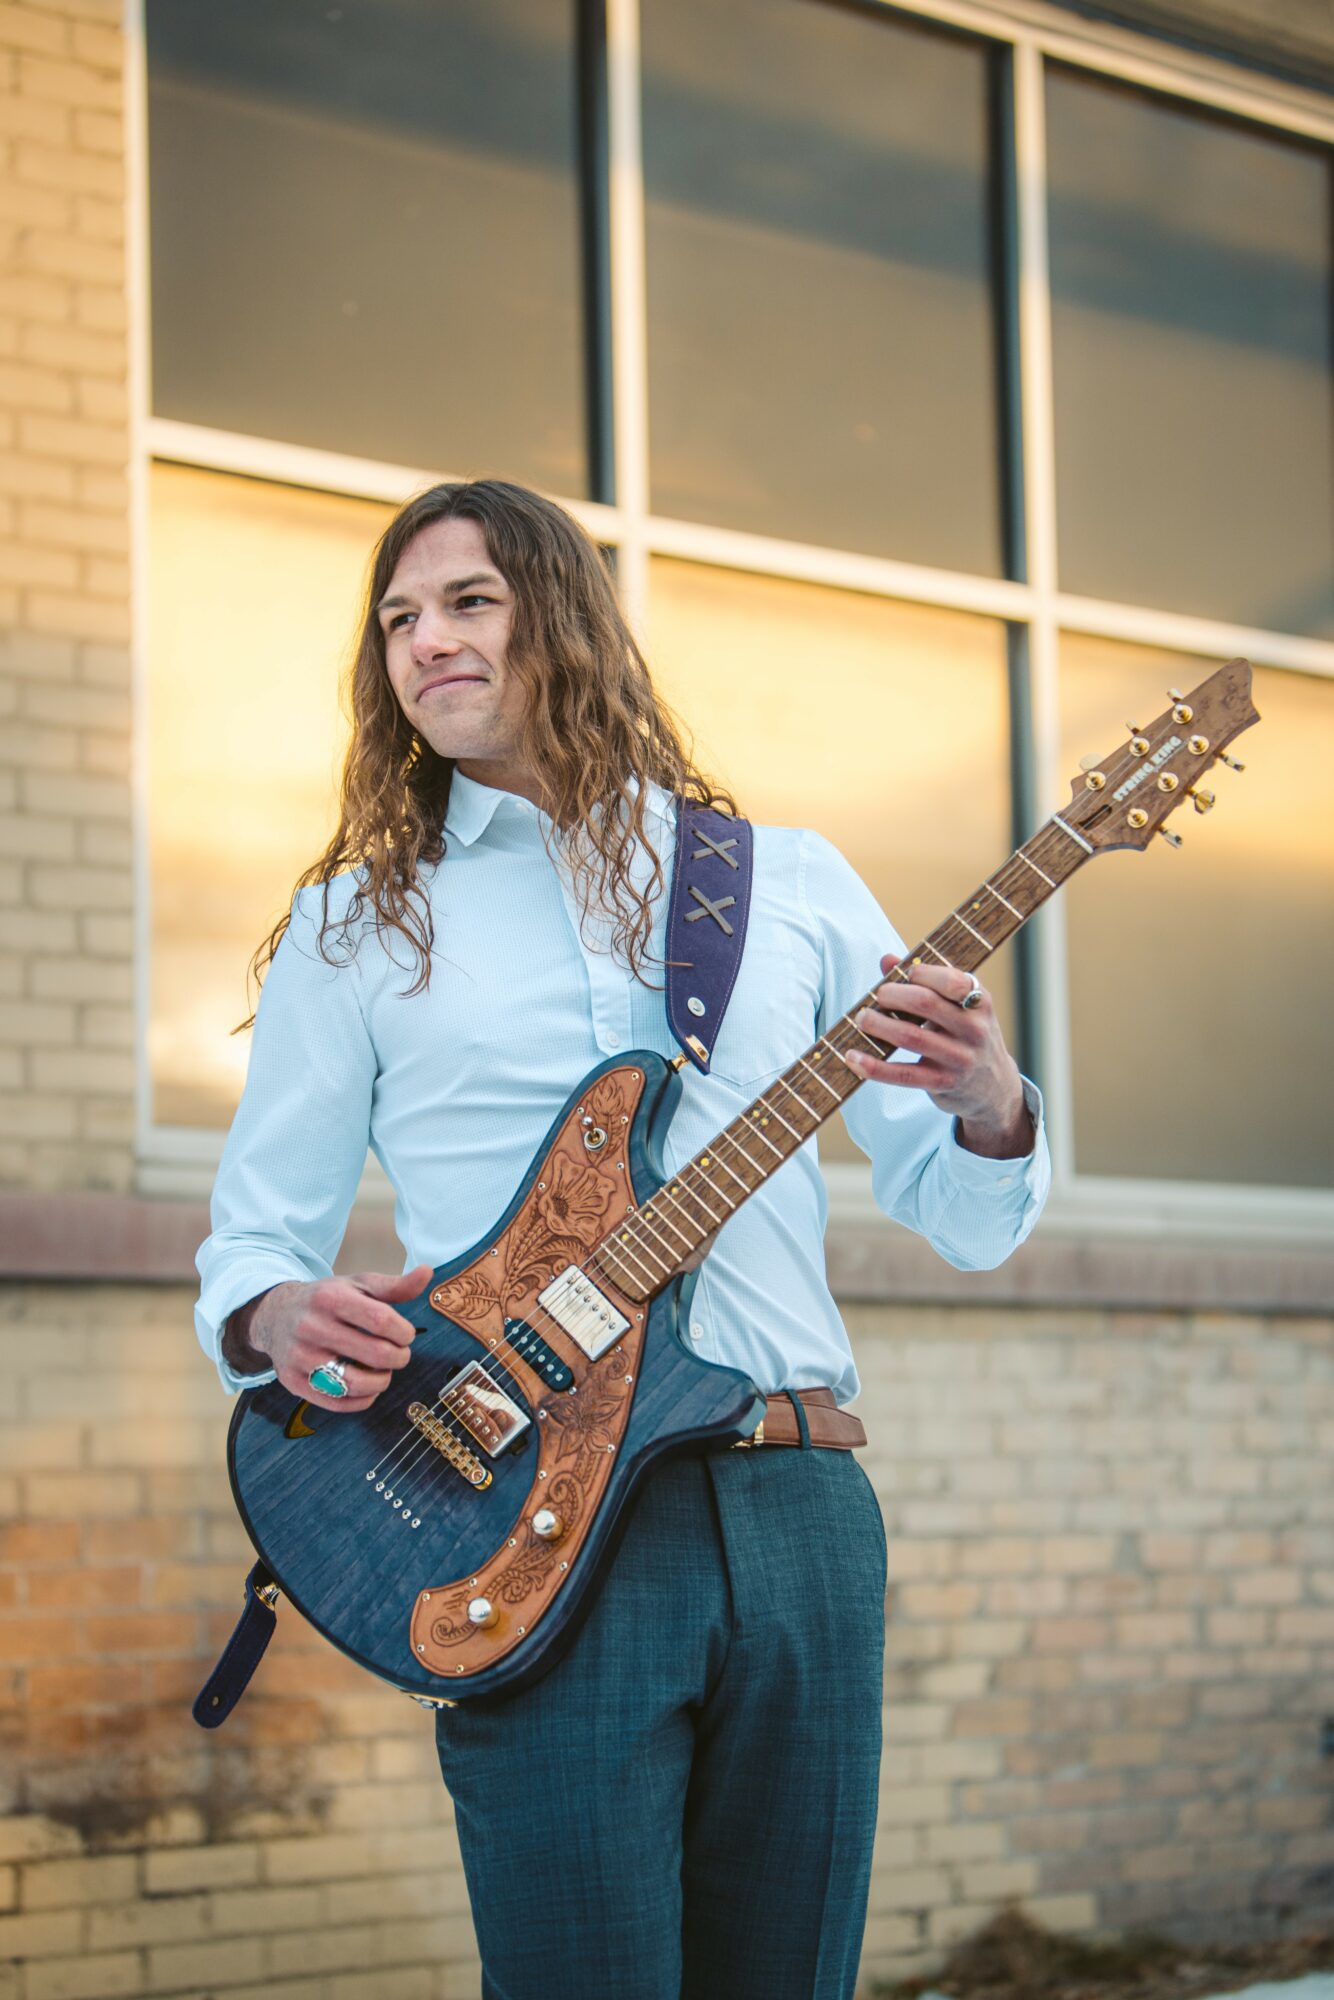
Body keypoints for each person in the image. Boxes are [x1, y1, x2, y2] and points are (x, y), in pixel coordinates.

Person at [196, 477, 1049, 2000]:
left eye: (468, 601)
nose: (425, 641)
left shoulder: (783, 883)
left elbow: (958, 1211)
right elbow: (258, 1237)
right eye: (397, 619)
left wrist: (987, 1099)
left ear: (565, 617)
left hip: (797, 1498)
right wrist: (277, 1318)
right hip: (529, 1517)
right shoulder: (356, 929)